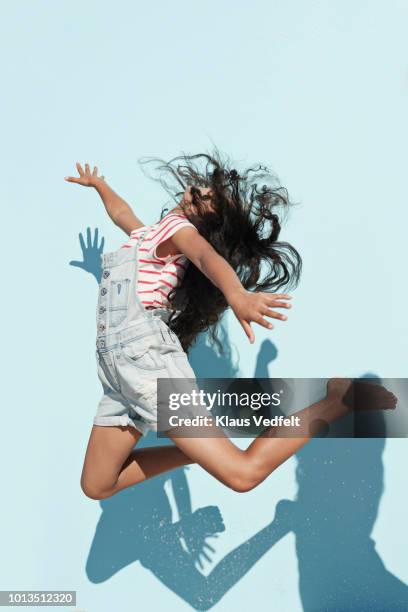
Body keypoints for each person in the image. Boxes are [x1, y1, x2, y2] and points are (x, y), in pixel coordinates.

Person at [64, 151, 396, 500]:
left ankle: (338, 401)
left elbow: (206, 258)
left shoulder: (181, 231)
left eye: (212, 197)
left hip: (146, 366)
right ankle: (198, 451)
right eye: (208, 189)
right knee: (97, 483)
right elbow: (122, 214)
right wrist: (100, 185)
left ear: (208, 219)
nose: (203, 190)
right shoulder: (147, 234)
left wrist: (237, 294)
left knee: (242, 475)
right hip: (120, 377)